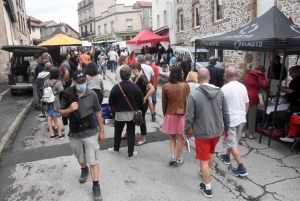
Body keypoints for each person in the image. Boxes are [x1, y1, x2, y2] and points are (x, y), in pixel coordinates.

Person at [59, 70, 105, 201]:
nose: (82, 84)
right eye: (79, 82)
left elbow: (98, 113)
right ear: (73, 82)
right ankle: (84, 169)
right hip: (74, 132)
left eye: (84, 81)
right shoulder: (67, 95)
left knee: (93, 160)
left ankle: (96, 186)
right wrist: (69, 109)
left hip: (90, 131)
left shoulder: (92, 94)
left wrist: (101, 131)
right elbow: (61, 112)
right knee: (80, 157)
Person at [184, 68, 230, 198]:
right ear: (209, 77)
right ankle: (206, 172)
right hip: (216, 130)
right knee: (211, 153)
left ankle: (208, 188)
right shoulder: (220, 92)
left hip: (202, 132)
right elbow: (226, 113)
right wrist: (226, 129)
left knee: (203, 160)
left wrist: (185, 132)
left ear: (198, 78)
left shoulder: (194, 94)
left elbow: (189, 117)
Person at [219, 67, 249, 176]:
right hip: (241, 117)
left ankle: (241, 168)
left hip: (230, 119)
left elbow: (220, 105)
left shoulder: (224, 88)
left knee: (233, 143)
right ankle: (227, 156)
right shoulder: (243, 87)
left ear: (226, 76)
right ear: (236, 75)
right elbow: (247, 103)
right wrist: (244, 114)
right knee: (233, 141)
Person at [108, 66, 143, 158]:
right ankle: (130, 153)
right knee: (131, 133)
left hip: (119, 114)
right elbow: (141, 100)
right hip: (132, 114)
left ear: (120, 75)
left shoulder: (116, 87)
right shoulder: (135, 87)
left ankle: (116, 149)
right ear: (130, 74)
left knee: (118, 132)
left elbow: (111, 102)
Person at [162, 66, 190, 167]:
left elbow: (164, 102)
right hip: (182, 114)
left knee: (172, 136)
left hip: (170, 113)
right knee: (181, 137)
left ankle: (172, 156)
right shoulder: (185, 86)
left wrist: (165, 114)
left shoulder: (166, 86)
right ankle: (178, 159)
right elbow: (188, 102)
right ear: (179, 75)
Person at [130, 62, 154, 146]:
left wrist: (145, 98)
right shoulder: (135, 77)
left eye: (134, 69)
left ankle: (143, 138)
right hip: (137, 102)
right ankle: (127, 134)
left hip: (143, 103)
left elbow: (152, 88)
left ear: (138, 69)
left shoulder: (143, 78)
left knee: (142, 119)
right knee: (135, 118)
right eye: (132, 69)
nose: (133, 70)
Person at [242, 65, 268, 139]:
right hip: (253, 97)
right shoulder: (260, 76)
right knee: (252, 116)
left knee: (244, 114)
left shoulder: (247, 75)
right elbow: (265, 85)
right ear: (261, 71)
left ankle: (243, 132)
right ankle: (251, 133)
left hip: (245, 96)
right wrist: (262, 76)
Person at [279, 66, 300, 143]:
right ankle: (293, 135)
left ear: (295, 72)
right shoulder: (296, 80)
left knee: (290, 119)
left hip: (295, 104)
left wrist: (283, 89)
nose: (290, 75)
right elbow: (292, 88)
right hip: (294, 103)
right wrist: (286, 87)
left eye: (290, 73)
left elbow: (292, 91)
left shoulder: (298, 80)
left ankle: (290, 135)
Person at [43, 67, 65, 139]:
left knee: (49, 118)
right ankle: (59, 134)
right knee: (58, 118)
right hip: (56, 102)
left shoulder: (46, 82)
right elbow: (61, 91)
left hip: (48, 102)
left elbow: (44, 91)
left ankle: (51, 134)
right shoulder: (58, 83)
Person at [145, 54, 160, 122]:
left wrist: (154, 86)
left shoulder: (155, 67)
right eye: (146, 60)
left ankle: (153, 111)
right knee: (149, 100)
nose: (147, 61)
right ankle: (152, 112)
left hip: (153, 86)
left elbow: (158, 77)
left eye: (148, 60)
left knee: (153, 100)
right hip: (147, 86)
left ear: (151, 60)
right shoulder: (145, 67)